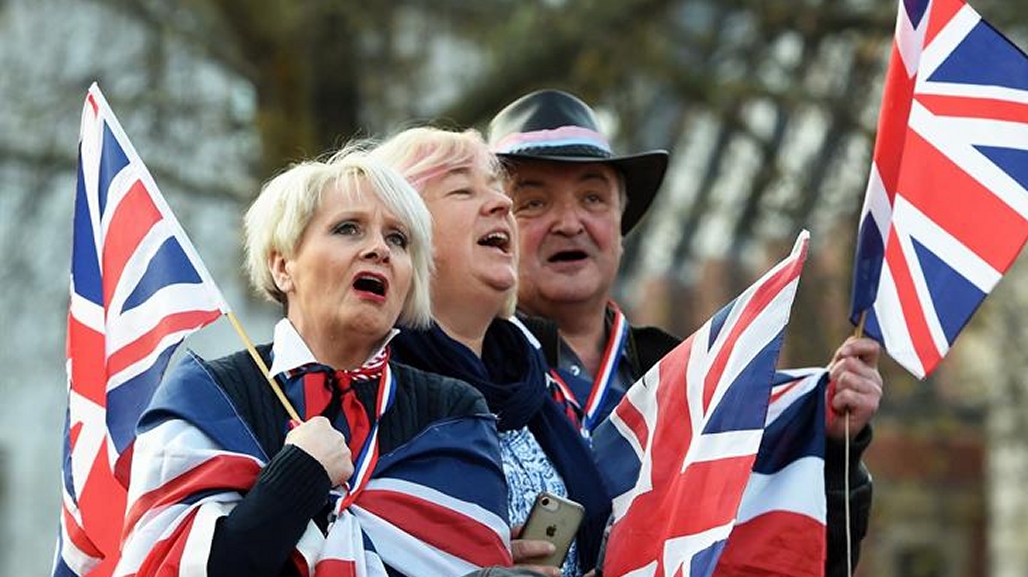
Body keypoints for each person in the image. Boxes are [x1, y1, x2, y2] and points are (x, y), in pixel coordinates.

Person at [488, 89, 884, 575]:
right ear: (494, 231)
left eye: (593, 198)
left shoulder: (700, 379)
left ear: (621, 222)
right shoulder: (461, 371)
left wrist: (836, 446)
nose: (570, 223)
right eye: (533, 202)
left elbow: (789, 550)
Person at [116, 154, 514, 576]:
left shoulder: (456, 415)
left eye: (398, 239)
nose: (380, 249)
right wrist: (299, 474)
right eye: (348, 228)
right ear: (283, 266)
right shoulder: (207, 396)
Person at [357, 128, 611, 577]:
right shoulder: (366, 393)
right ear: (399, 234)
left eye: (496, 188)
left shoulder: (544, 385)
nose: (502, 204)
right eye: (463, 190)